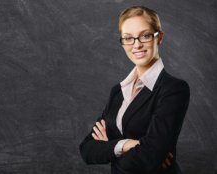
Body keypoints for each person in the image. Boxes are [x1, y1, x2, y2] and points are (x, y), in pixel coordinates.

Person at [79, 6, 190, 174]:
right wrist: (128, 144)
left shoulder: (173, 89)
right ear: (122, 43)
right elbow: (87, 150)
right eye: (128, 38)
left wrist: (110, 148)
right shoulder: (118, 92)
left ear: (159, 37)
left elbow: (150, 157)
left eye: (145, 36)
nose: (136, 45)